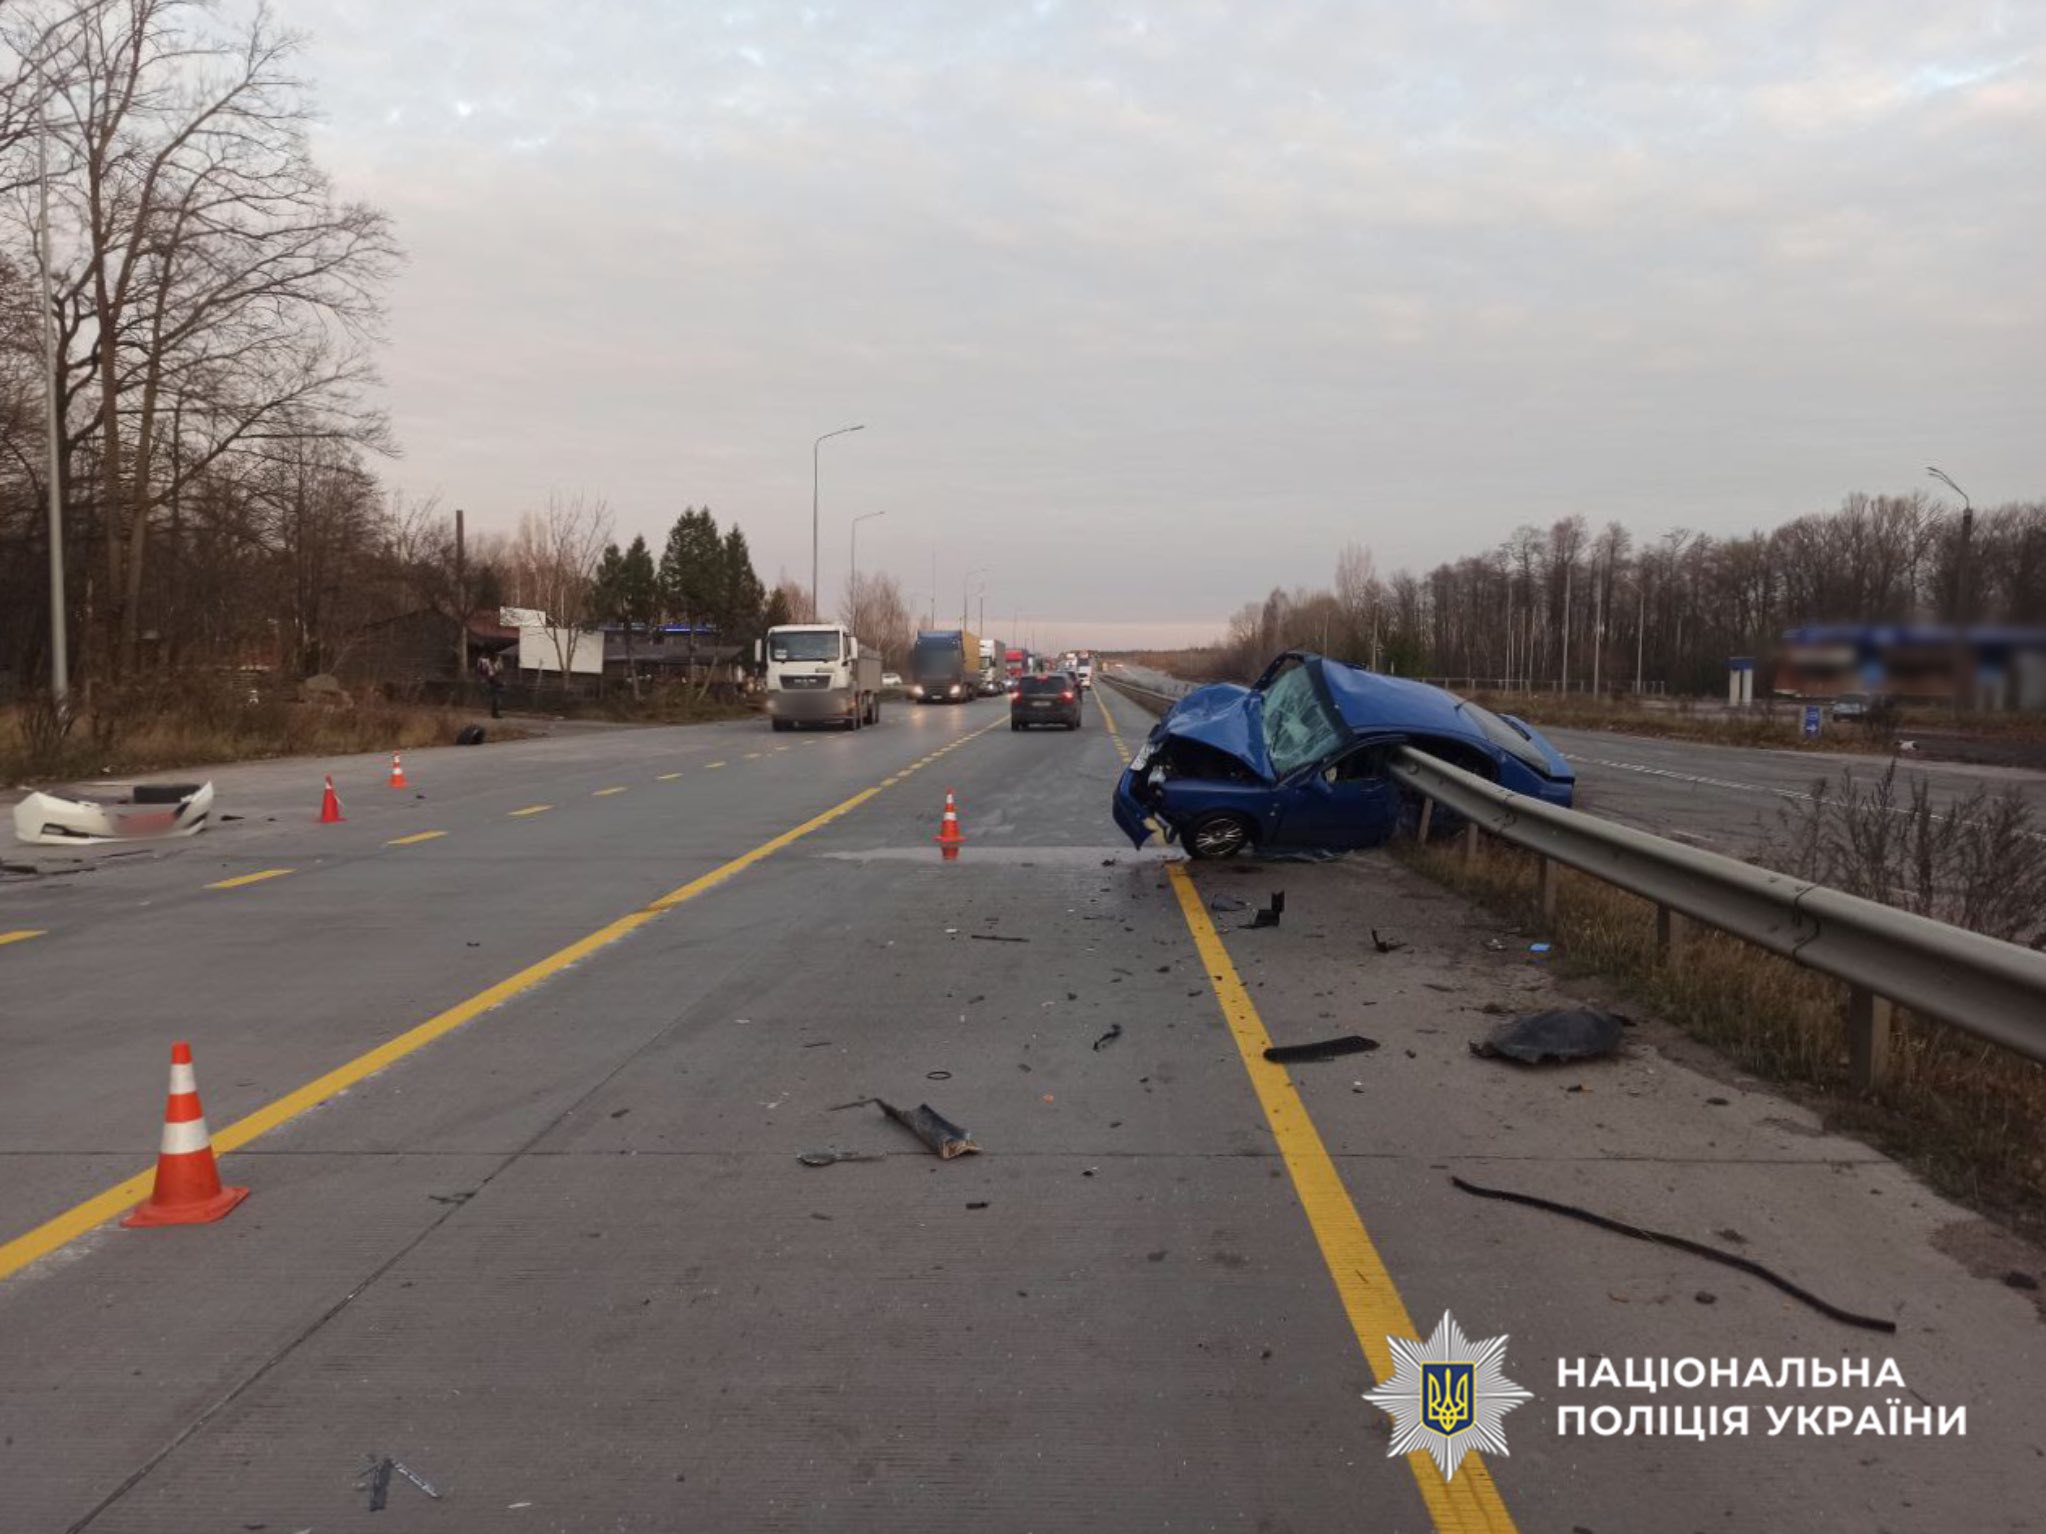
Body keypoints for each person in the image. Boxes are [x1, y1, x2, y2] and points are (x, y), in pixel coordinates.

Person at [476, 652, 504, 719]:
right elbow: (493, 673)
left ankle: (495, 713)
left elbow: (497, 672)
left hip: (493, 681)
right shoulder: (488, 664)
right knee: (496, 699)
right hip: (492, 681)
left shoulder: (489, 663)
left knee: (496, 699)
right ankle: (495, 714)